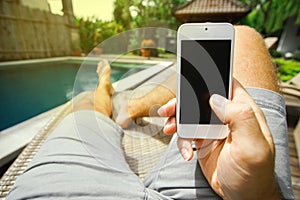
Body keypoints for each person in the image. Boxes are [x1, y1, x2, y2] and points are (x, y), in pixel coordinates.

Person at [6, 26, 293, 199]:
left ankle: (111, 95)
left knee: (83, 102)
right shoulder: (247, 184)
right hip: (225, 186)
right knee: (240, 37)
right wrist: (260, 195)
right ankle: (126, 105)